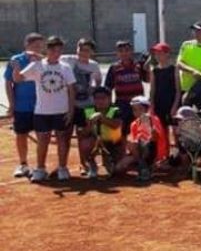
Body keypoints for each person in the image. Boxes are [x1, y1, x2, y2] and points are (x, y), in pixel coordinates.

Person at [12, 36, 76, 182]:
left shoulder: (65, 67)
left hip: (62, 111)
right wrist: (16, 68)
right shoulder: (37, 65)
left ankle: (62, 168)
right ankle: (40, 169)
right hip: (42, 111)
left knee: (62, 140)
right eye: (53, 50)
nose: (57, 53)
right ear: (47, 50)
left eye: (59, 50)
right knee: (43, 141)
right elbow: (18, 79)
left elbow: (72, 90)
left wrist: (71, 110)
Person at [4, 32, 44, 177]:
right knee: (21, 134)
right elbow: (9, 83)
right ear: (26, 45)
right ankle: (23, 164)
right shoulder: (16, 60)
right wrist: (12, 104)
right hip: (22, 106)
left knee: (43, 136)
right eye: (35, 46)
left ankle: (41, 166)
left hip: (42, 106)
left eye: (40, 46)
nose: (38, 49)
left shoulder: (44, 61)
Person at [60, 38, 103, 173]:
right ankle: (63, 166)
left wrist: (94, 89)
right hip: (68, 105)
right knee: (65, 136)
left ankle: (84, 163)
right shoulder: (67, 59)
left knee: (85, 136)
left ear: (92, 52)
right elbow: (50, 56)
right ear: (77, 49)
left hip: (88, 106)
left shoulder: (94, 65)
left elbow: (98, 81)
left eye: (87, 50)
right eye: (81, 49)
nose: (83, 53)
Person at [117, 96, 168, 181]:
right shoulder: (133, 124)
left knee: (134, 144)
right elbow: (134, 142)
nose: (137, 112)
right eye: (134, 109)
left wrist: (151, 133)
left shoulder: (153, 119)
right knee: (118, 168)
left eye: (140, 109)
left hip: (155, 151)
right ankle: (144, 166)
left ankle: (146, 168)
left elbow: (155, 138)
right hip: (140, 151)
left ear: (147, 109)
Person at [78, 86, 123, 178]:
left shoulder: (116, 110)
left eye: (103, 98)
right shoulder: (87, 111)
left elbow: (116, 125)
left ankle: (109, 161)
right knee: (84, 144)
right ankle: (92, 166)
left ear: (109, 98)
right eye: (97, 98)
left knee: (118, 170)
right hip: (95, 141)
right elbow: (82, 134)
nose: (100, 101)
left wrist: (101, 117)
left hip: (113, 143)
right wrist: (89, 125)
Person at [104, 40, 146, 136]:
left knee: (140, 129)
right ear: (117, 53)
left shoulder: (138, 65)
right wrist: (109, 106)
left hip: (138, 104)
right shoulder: (114, 68)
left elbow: (147, 80)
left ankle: (138, 150)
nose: (124, 53)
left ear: (131, 51)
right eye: (121, 51)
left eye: (127, 50)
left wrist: (146, 66)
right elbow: (108, 88)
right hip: (122, 104)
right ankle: (123, 150)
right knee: (122, 130)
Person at [148, 42, 181, 133]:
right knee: (161, 131)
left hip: (171, 102)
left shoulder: (174, 69)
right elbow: (152, 90)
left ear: (167, 54)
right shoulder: (154, 70)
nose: (157, 56)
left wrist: (175, 106)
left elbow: (178, 90)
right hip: (159, 103)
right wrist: (151, 105)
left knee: (176, 130)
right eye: (156, 54)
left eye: (160, 53)